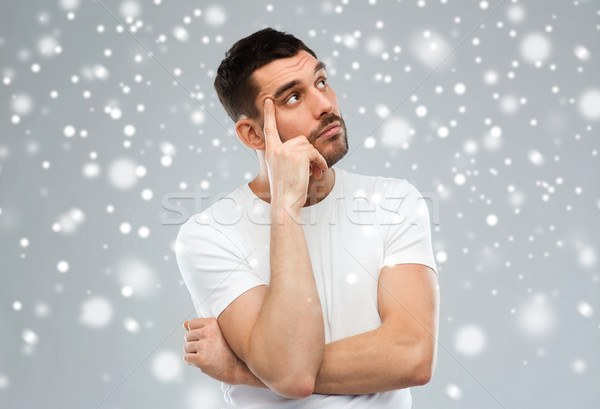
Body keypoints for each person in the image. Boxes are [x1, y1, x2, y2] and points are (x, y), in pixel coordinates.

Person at [175, 27, 440, 408]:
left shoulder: (395, 201)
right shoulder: (208, 234)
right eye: (294, 97)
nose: (325, 104)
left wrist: (243, 368)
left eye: (321, 81)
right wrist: (285, 206)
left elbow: (412, 356)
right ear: (252, 134)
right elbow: (291, 375)